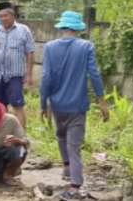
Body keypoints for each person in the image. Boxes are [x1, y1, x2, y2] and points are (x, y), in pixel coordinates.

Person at [41, 11, 110, 200]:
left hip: (57, 104)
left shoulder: (49, 47)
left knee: (61, 135)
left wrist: (42, 103)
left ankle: (66, 167)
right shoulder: (86, 46)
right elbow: (94, 74)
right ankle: (75, 184)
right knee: (74, 145)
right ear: (78, 29)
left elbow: (46, 77)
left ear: (63, 27)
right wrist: (101, 100)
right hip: (77, 106)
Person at [0, 5, 35, 130]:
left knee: (17, 105)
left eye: (5, 16)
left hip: (15, 75)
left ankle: (21, 136)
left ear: (13, 16)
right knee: (0, 106)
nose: (3, 19)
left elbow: (30, 52)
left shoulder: (24, 30)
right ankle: (5, 133)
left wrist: (29, 75)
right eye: (0, 16)